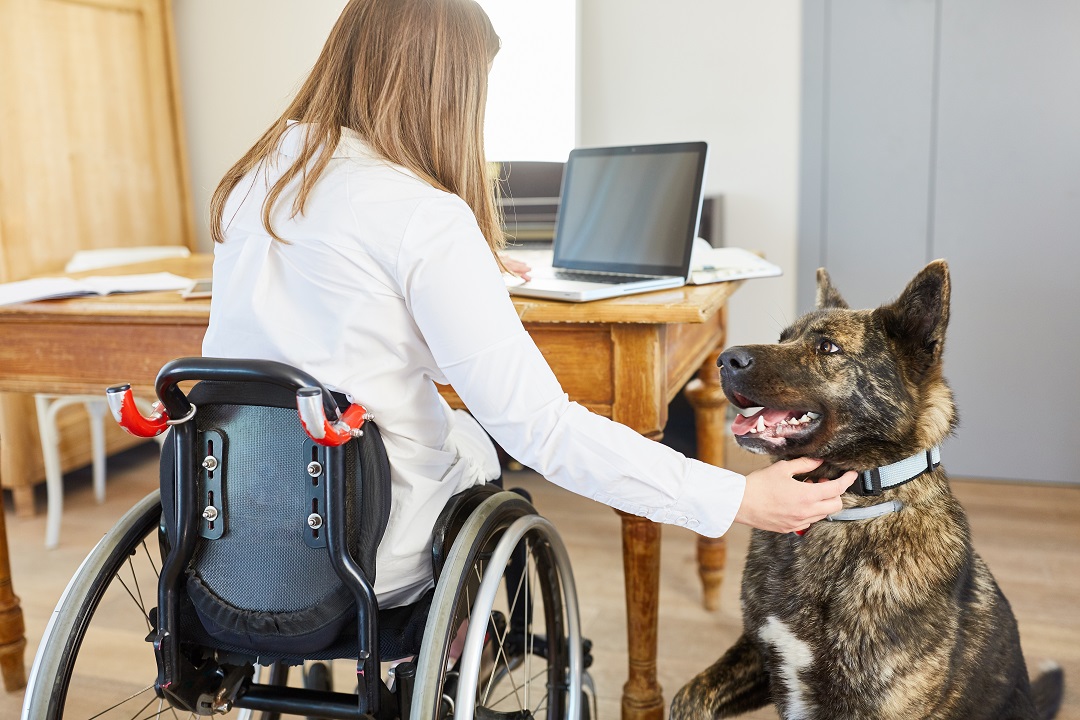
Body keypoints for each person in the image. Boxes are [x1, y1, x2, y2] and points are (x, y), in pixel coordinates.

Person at [202, 0, 856, 608]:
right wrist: (735, 495)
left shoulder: (254, 180)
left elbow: (342, 314)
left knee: (456, 436)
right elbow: (539, 430)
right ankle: (443, 645)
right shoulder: (422, 216)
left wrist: (461, 277)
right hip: (362, 542)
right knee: (482, 447)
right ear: (447, 88)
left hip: (233, 525)